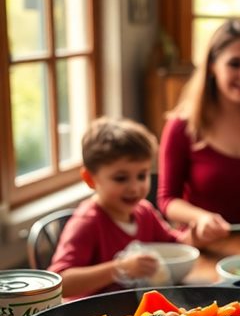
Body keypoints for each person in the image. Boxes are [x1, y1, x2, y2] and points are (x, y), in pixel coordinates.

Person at [156, 20, 240, 247]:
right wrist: (200, 217)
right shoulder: (181, 126)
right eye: (235, 64)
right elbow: (167, 199)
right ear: (211, 65)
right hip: (200, 246)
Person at [49, 116, 193, 299]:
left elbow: (173, 245)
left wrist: (195, 237)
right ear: (90, 179)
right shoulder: (87, 222)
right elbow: (60, 283)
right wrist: (119, 268)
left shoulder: (144, 212)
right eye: (121, 178)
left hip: (133, 312)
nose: (134, 188)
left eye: (142, 176)